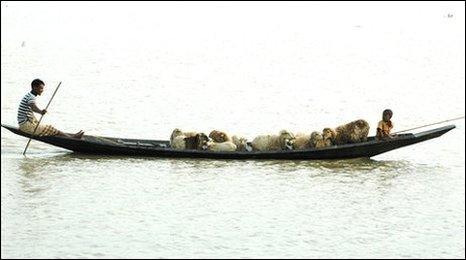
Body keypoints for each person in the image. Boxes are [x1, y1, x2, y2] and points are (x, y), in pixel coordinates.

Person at [17, 79, 84, 139]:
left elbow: (31, 108)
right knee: (51, 128)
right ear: (34, 87)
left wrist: (40, 112)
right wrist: (41, 111)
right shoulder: (31, 97)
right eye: (41, 88)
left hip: (24, 124)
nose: (42, 90)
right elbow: (33, 107)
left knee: (47, 127)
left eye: (42, 89)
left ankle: (72, 136)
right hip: (26, 126)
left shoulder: (29, 95)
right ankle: (73, 137)